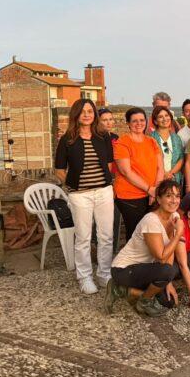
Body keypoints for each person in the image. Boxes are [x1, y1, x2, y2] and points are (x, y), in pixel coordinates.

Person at [55, 99, 114, 295]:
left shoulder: (102, 136)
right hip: (80, 195)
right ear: (76, 115)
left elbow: (110, 164)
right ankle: (85, 277)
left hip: (104, 192)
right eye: (83, 112)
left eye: (90, 111)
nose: (87, 115)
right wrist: (71, 186)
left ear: (94, 114)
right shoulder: (68, 139)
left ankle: (104, 274)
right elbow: (59, 169)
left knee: (106, 236)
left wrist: (104, 182)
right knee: (83, 237)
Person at [105, 179, 182, 317]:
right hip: (123, 269)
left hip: (144, 268)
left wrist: (168, 283)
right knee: (168, 270)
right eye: (169, 196)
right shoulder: (151, 220)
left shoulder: (174, 216)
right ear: (158, 199)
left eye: (177, 196)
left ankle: (123, 291)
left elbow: (170, 249)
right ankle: (143, 301)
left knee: (168, 302)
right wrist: (179, 234)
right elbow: (161, 256)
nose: (173, 200)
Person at [114, 107, 164, 240]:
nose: (139, 123)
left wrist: (156, 190)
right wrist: (149, 189)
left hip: (152, 193)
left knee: (151, 232)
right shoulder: (122, 143)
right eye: (134, 121)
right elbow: (126, 172)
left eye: (142, 120)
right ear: (128, 123)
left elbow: (160, 167)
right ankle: (133, 261)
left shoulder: (151, 141)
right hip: (130, 196)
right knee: (136, 233)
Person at [98, 107, 122, 254]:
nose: (108, 123)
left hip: (116, 180)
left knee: (115, 215)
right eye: (104, 120)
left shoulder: (115, 138)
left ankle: (113, 249)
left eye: (110, 119)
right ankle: (98, 247)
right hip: (101, 181)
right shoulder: (96, 138)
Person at [148, 106, 184, 186]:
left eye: (166, 115)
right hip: (157, 178)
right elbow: (150, 160)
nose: (165, 119)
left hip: (174, 178)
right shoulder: (150, 138)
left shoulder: (176, 137)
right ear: (155, 121)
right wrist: (164, 174)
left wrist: (170, 173)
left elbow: (181, 158)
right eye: (160, 117)